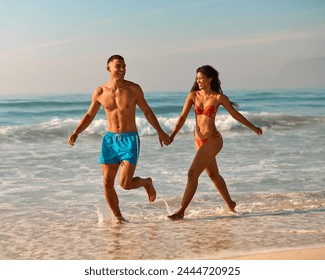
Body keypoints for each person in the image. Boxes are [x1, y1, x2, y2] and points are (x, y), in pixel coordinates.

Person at [68, 54, 170, 223]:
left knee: (125, 184)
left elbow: (147, 111)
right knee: (107, 183)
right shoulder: (99, 92)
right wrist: (76, 132)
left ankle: (146, 182)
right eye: (118, 66)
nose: (122, 69)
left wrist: (160, 131)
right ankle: (119, 218)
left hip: (129, 139)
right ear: (109, 68)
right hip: (110, 141)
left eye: (124, 66)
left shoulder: (134, 89)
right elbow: (89, 115)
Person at [168, 65, 262, 220]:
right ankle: (230, 203)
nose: (198, 81)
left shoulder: (218, 98)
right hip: (198, 141)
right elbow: (182, 118)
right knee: (213, 175)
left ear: (209, 79)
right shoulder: (193, 96)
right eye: (197, 78)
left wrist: (252, 127)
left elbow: (235, 115)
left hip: (213, 140)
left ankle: (181, 211)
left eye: (201, 78)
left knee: (192, 174)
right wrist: (172, 135)